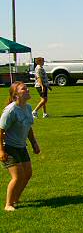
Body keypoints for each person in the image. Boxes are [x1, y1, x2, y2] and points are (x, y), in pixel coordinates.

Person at [0, 82, 41, 211]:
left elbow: (28, 128)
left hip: (21, 146)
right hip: (9, 147)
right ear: (16, 95)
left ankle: (15, 198)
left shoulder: (28, 107)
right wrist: (1, 150)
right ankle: (8, 205)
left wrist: (34, 143)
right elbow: (0, 131)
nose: (28, 90)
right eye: (24, 89)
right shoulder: (11, 110)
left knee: (27, 174)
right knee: (17, 177)